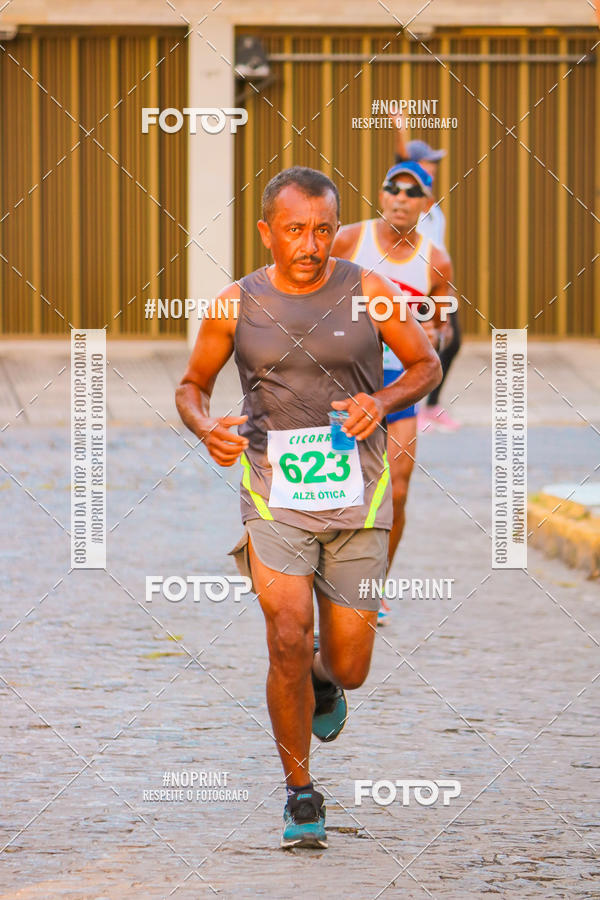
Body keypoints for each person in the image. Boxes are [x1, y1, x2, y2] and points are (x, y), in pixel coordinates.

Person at [175, 166, 441, 849]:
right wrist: (208, 429)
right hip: (274, 495)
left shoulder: (368, 290)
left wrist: (379, 403)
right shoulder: (234, 303)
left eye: (323, 228)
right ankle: (300, 792)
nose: (311, 243)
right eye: (295, 229)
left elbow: (425, 364)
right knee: (286, 633)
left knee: (349, 663)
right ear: (267, 232)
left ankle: (329, 682)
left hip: (358, 496)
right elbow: (191, 386)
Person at [332, 161, 455, 624]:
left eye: (412, 191)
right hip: (345, 381)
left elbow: (441, 331)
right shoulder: (350, 240)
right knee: (340, 482)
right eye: (393, 188)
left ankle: (374, 585)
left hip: (399, 384)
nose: (401, 197)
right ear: (381, 196)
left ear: (425, 204)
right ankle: (328, 578)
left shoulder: (435, 260)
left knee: (397, 491)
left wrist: (426, 329)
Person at [393, 126, 462, 432]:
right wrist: (400, 131)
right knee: (422, 347)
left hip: (438, 287)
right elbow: (401, 162)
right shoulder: (407, 199)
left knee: (452, 342)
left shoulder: (431, 203)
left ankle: (430, 406)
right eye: (428, 161)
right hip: (418, 288)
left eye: (434, 161)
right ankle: (415, 409)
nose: (433, 165)